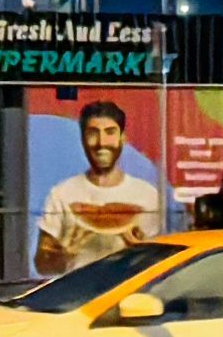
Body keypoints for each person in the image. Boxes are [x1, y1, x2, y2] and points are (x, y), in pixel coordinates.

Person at [34, 97, 168, 271]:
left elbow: (159, 266)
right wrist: (62, 256)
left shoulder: (148, 196)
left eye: (110, 132)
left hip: (128, 292)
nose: (101, 142)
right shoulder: (61, 194)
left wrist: (141, 252)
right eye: (93, 133)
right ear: (82, 139)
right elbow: (42, 266)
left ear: (123, 138)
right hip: (79, 293)